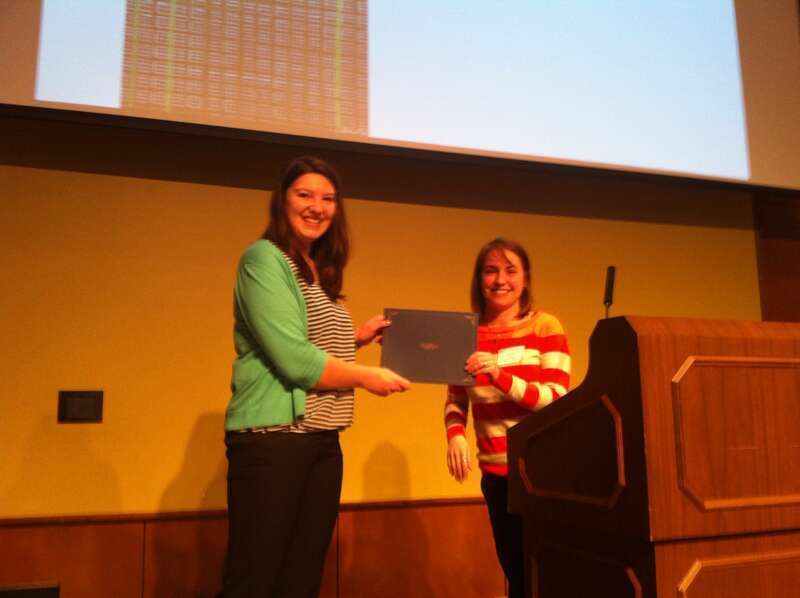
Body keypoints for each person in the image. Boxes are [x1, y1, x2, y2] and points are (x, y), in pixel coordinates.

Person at [223, 156, 410, 598]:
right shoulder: (263, 259)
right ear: (282, 200)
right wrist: (366, 376)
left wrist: (357, 339)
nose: (317, 207)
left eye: (328, 198)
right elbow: (294, 360)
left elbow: (308, 344)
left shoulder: (315, 268)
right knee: (254, 580)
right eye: (304, 194)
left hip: (322, 440)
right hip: (273, 440)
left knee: (302, 579)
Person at [444, 237, 570, 598]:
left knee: (548, 576)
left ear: (525, 279)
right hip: (496, 477)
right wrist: (455, 434)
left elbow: (555, 398)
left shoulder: (545, 326)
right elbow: (455, 400)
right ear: (479, 280)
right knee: (518, 576)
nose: (501, 280)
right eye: (491, 271)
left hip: (543, 474)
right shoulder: (466, 334)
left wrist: (500, 375)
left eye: (511, 270)